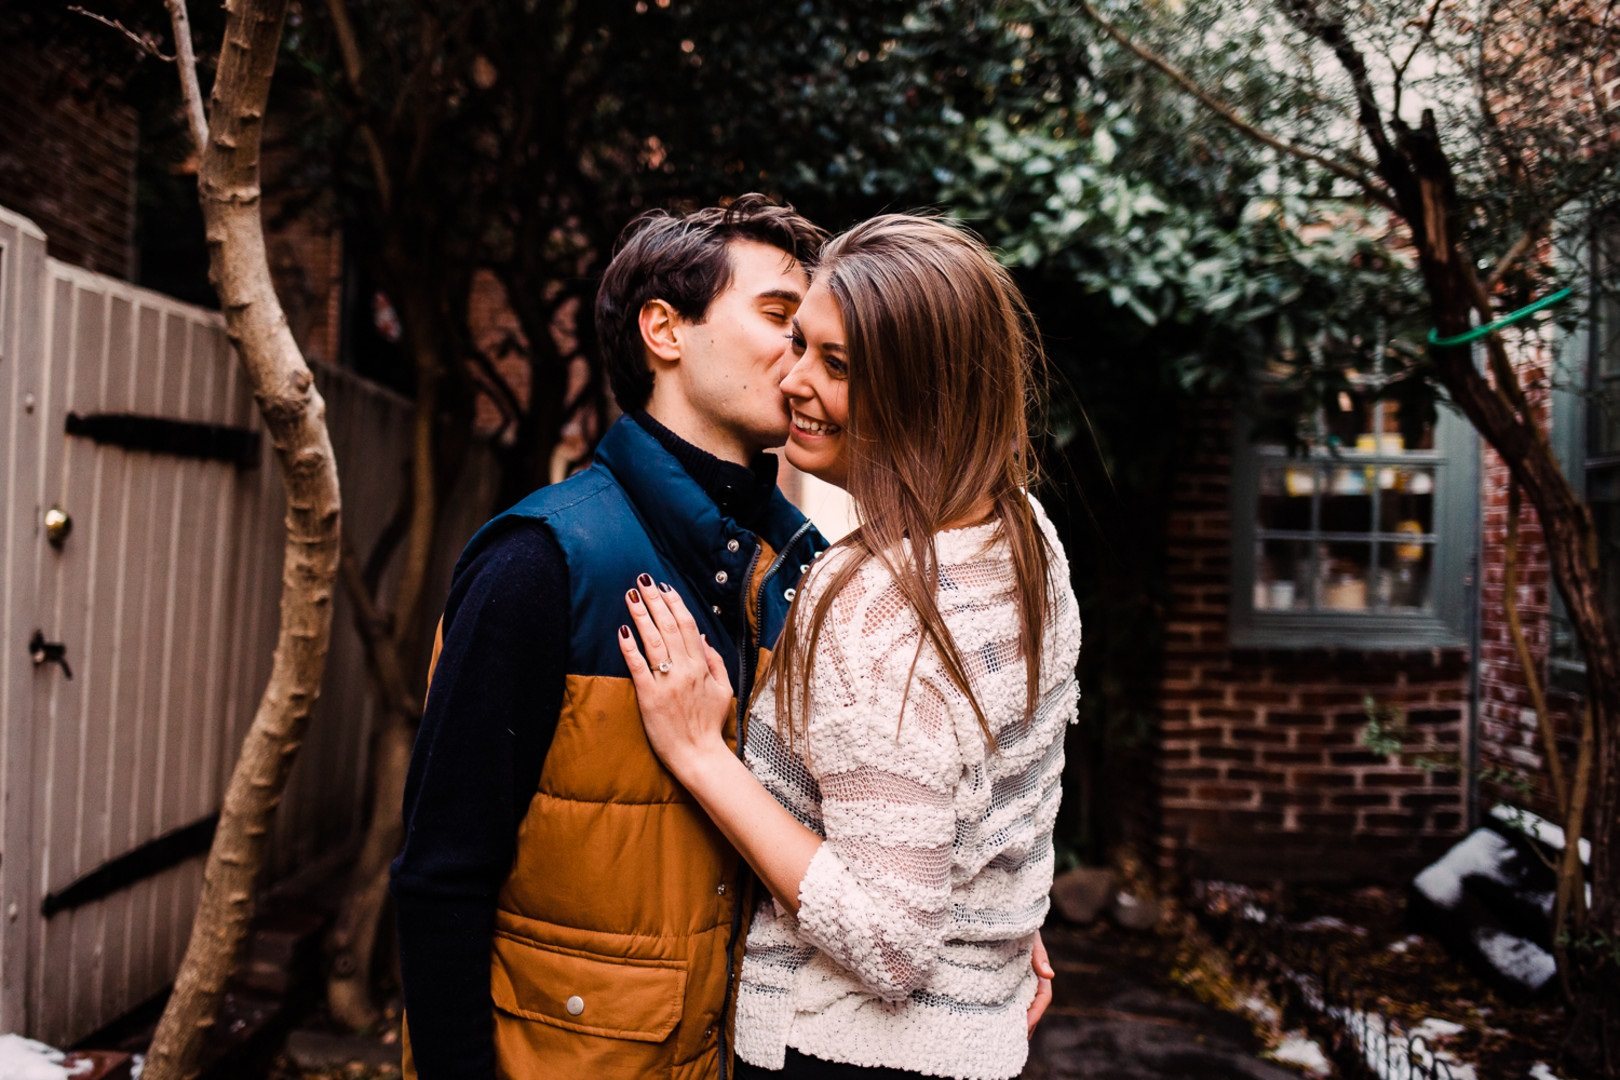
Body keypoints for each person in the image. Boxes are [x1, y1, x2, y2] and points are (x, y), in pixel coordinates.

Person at [618, 214, 1082, 1080]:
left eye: (836, 366)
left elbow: (888, 942)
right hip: (973, 1043)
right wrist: (998, 920)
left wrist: (699, 753)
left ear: (922, 392)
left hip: (840, 1049)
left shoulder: (875, 599)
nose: (792, 379)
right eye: (799, 343)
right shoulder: (1027, 539)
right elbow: (977, 791)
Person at [390, 194, 832, 1080]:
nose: (801, 355)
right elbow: (441, 877)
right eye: (781, 317)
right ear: (664, 330)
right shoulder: (540, 561)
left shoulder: (804, 572)